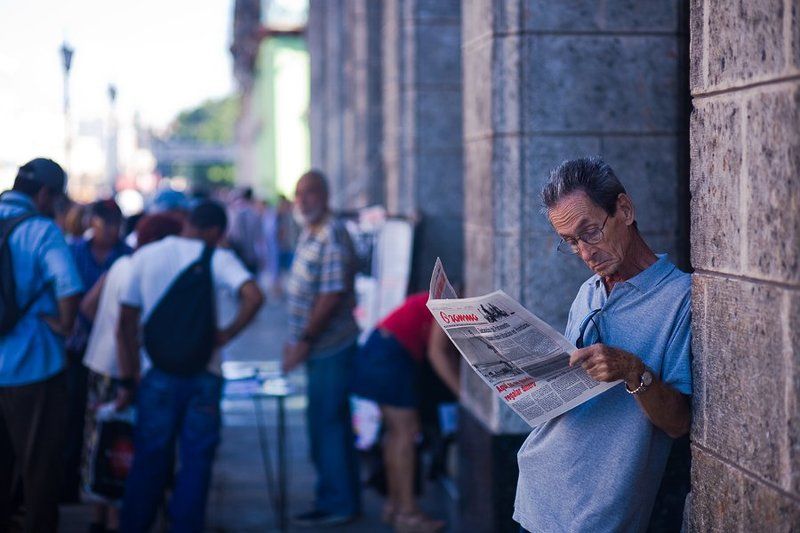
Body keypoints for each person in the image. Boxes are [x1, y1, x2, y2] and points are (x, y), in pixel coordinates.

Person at [513, 157, 692, 533]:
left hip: (600, 512)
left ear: (624, 210)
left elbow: (678, 423)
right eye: (570, 242)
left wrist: (632, 370)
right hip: (536, 490)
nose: (585, 253)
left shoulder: (681, 298)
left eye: (590, 232)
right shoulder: (588, 292)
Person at [117, 200, 264, 533]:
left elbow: (125, 320)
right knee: (197, 461)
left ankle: (135, 525)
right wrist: (227, 333)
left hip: (156, 373)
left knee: (149, 459)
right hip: (204, 375)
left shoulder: (146, 256)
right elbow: (254, 295)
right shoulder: (218, 258)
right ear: (214, 232)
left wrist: (130, 374)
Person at [79, 214, 183, 533]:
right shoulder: (145, 270)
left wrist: (102, 331)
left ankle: (98, 519)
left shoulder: (120, 264)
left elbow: (87, 306)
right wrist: (128, 377)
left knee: (99, 444)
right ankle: (115, 522)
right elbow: (128, 327)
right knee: (121, 446)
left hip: (98, 364)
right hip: (123, 371)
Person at [0, 158, 83, 532]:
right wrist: (65, 325)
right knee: (39, 471)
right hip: (32, 367)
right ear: (45, 193)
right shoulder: (41, 231)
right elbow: (68, 287)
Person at [282, 170, 361, 527]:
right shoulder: (309, 232)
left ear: (325, 196)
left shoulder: (331, 234)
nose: (303, 200)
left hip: (329, 346)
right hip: (316, 347)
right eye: (299, 194)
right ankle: (335, 496)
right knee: (326, 426)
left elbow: (330, 296)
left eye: (310, 193)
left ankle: (338, 502)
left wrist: (304, 340)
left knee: (327, 426)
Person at [351, 292, 459, 532]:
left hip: (379, 350)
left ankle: (395, 506)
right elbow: (437, 353)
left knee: (396, 434)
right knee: (406, 434)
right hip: (390, 356)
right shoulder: (448, 302)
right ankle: (408, 514)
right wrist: (462, 393)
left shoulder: (435, 297)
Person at [63, 198, 132, 502]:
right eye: (109, 225)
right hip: (77, 349)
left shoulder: (127, 256)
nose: (114, 231)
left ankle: (104, 485)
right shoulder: (73, 252)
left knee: (107, 421)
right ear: (94, 223)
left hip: (109, 355)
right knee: (73, 417)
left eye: (118, 225)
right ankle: (72, 483)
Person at [227, 187, 264, 274]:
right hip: (252, 255)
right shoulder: (255, 214)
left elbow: (234, 235)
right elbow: (259, 238)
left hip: (240, 254)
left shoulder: (236, 213)